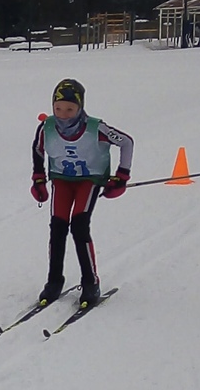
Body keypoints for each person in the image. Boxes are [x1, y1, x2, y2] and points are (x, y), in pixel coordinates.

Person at [30, 77, 133, 308]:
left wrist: (121, 176)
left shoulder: (96, 128)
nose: (63, 114)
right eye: (58, 108)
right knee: (57, 228)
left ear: (80, 107)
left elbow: (126, 142)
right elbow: (38, 148)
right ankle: (54, 280)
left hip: (90, 180)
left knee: (79, 226)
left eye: (69, 109)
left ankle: (91, 282)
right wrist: (38, 179)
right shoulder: (46, 127)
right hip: (62, 180)